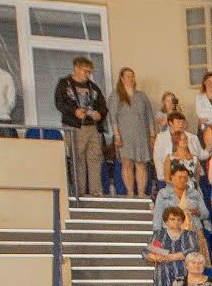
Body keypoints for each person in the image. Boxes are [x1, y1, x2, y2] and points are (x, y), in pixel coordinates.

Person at [54, 56, 107, 197]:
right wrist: (74, 111)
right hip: (75, 126)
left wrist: (99, 114)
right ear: (76, 68)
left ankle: (96, 191)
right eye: (85, 71)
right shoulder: (64, 84)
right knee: (78, 159)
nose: (87, 74)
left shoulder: (93, 87)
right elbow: (59, 103)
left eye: (89, 72)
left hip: (93, 127)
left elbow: (103, 106)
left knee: (95, 158)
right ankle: (80, 192)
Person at [110, 67, 157, 198]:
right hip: (124, 136)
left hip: (141, 136)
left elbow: (149, 117)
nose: (130, 79)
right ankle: (130, 191)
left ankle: (141, 193)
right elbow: (113, 118)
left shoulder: (142, 96)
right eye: (128, 76)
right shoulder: (116, 96)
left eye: (132, 76)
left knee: (141, 164)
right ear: (122, 78)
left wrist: (152, 135)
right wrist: (116, 135)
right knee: (127, 163)